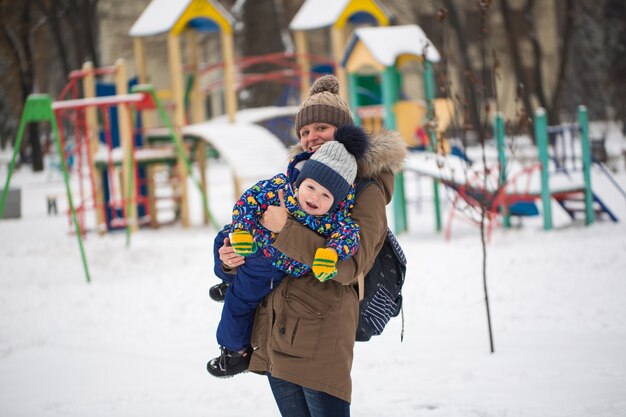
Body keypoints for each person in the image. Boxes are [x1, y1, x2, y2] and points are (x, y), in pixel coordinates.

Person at [216, 74, 407, 416]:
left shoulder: (366, 189)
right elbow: (254, 222)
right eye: (304, 132)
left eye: (321, 128)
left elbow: (351, 266)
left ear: (343, 130)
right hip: (277, 327)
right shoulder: (300, 176)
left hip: (321, 331)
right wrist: (228, 259)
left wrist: (284, 229)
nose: (311, 138)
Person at [207, 125, 369, 378]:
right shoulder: (281, 187)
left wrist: (331, 253)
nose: (315, 198)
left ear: (337, 201)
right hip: (254, 246)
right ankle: (228, 279)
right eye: (311, 187)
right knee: (222, 239)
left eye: (326, 195)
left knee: (239, 302)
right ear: (301, 179)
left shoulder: (334, 217)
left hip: (272, 266)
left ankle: (234, 351)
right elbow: (249, 200)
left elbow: (349, 236)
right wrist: (241, 230)